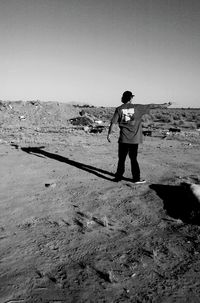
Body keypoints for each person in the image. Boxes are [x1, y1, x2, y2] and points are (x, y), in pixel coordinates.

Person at [107, 91, 172, 183]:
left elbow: (113, 123)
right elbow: (151, 105)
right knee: (133, 159)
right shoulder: (138, 108)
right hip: (134, 140)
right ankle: (136, 178)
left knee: (121, 159)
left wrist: (109, 134)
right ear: (130, 98)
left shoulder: (119, 109)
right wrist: (164, 105)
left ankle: (118, 177)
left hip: (123, 139)